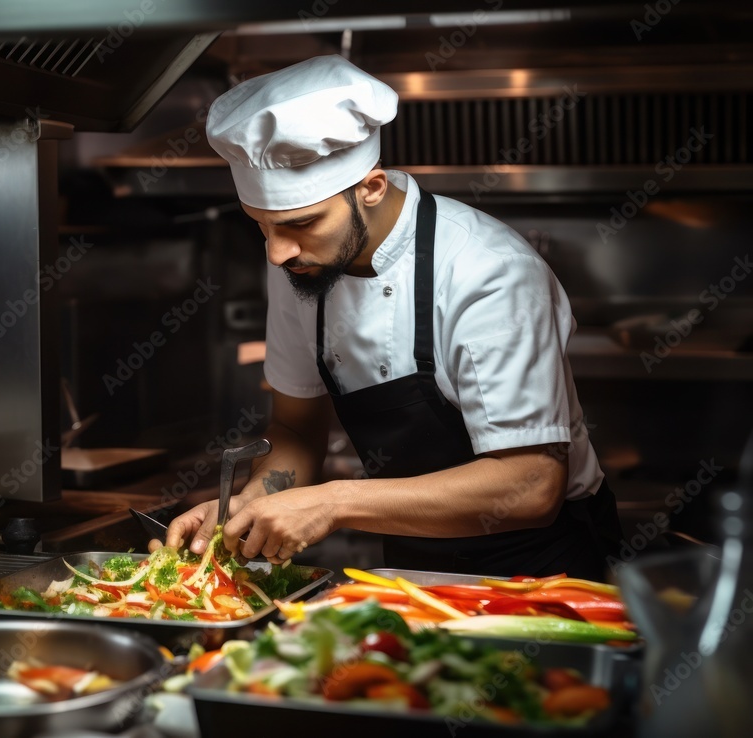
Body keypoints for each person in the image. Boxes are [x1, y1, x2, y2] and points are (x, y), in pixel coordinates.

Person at [151, 55, 623, 580]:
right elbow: (295, 428)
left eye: (301, 223)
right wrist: (245, 508)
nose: (276, 252)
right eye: (261, 225)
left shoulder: (490, 272)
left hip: (540, 566)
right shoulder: (300, 260)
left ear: (371, 188)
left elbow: (531, 485)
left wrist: (331, 503)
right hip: (413, 558)